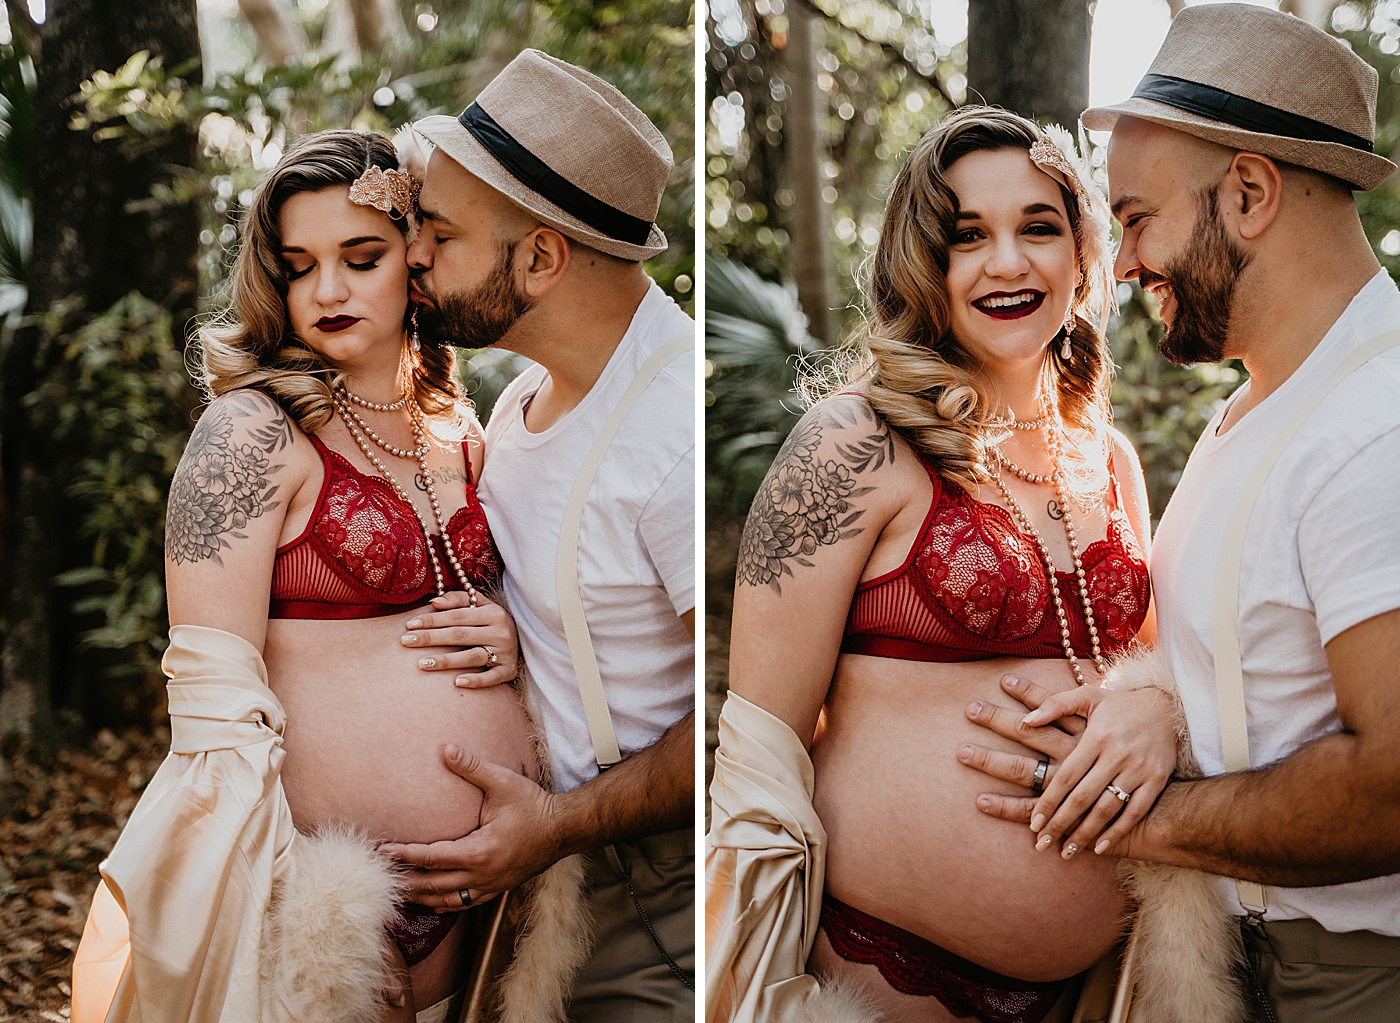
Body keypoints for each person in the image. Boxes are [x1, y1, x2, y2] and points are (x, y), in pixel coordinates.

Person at [69, 130, 586, 1023]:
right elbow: (210, 718)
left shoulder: (467, 429)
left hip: (483, 909)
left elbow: (530, 603)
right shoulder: (253, 433)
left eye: (361, 256)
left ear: (416, 261)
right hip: (311, 900)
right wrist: (295, 905)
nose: (329, 290)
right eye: (299, 266)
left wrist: (510, 630)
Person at [957, 3, 1400, 1023]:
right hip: (1245, 960)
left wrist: (1131, 819)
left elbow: (1388, 783)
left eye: (1136, 217)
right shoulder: (1255, 410)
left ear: (1246, 192)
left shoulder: (1373, 424)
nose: (1123, 264)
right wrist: (1145, 709)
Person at [706, 105, 1179, 1023]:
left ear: (1082, 255)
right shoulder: (855, 441)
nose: (1008, 263)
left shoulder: (1110, 459)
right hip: (883, 970)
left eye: (1038, 228)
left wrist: (1158, 707)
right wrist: (749, 983)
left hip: (1103, 984)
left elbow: (1152, 673)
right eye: (968, 237)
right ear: (925, 263)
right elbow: (759, 747)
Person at [372, 50, 698, 1020]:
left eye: (440, 231)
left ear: (541, 258)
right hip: (518, 885)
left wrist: (557, 824)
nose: (413, 254)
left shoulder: (671, 431)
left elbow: (740, 727)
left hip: (642, 894)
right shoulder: (519, 400)